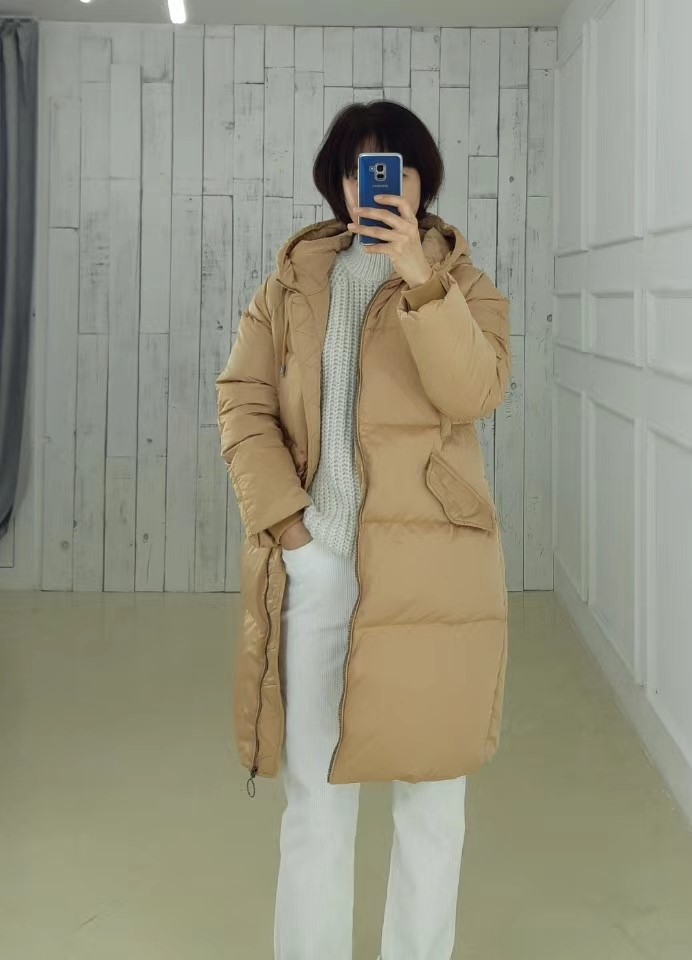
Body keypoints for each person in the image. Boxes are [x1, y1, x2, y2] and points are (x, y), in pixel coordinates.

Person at [215, 99, 510, 960]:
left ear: (422, 181)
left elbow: (473, 392)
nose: (373, 184)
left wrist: (420, 277)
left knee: (433, 805)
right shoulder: (290, 285)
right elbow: (243, 402)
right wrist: (290, 529)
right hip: (322, 570)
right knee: (315, 801)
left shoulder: (465, 287)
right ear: (338, 183)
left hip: (436, 578)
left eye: (393, 168)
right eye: (357, 169)